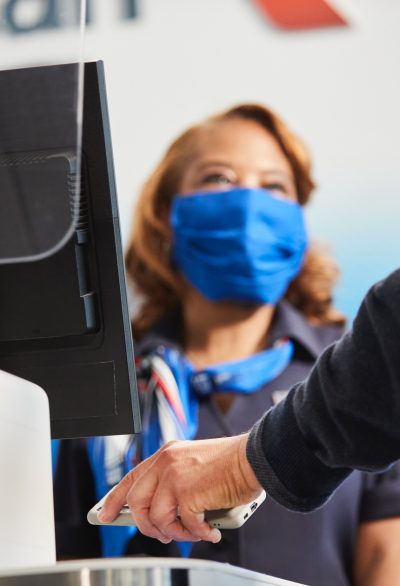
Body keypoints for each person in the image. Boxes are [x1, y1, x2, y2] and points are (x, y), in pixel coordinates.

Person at [54, 104, 400, 585]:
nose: (248, 202)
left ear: (298, 221)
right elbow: (73, 565)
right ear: (165, 214)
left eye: (275, 186)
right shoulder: (107, 383)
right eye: (218, 178)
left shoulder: (360, 372)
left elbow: (388, 562)